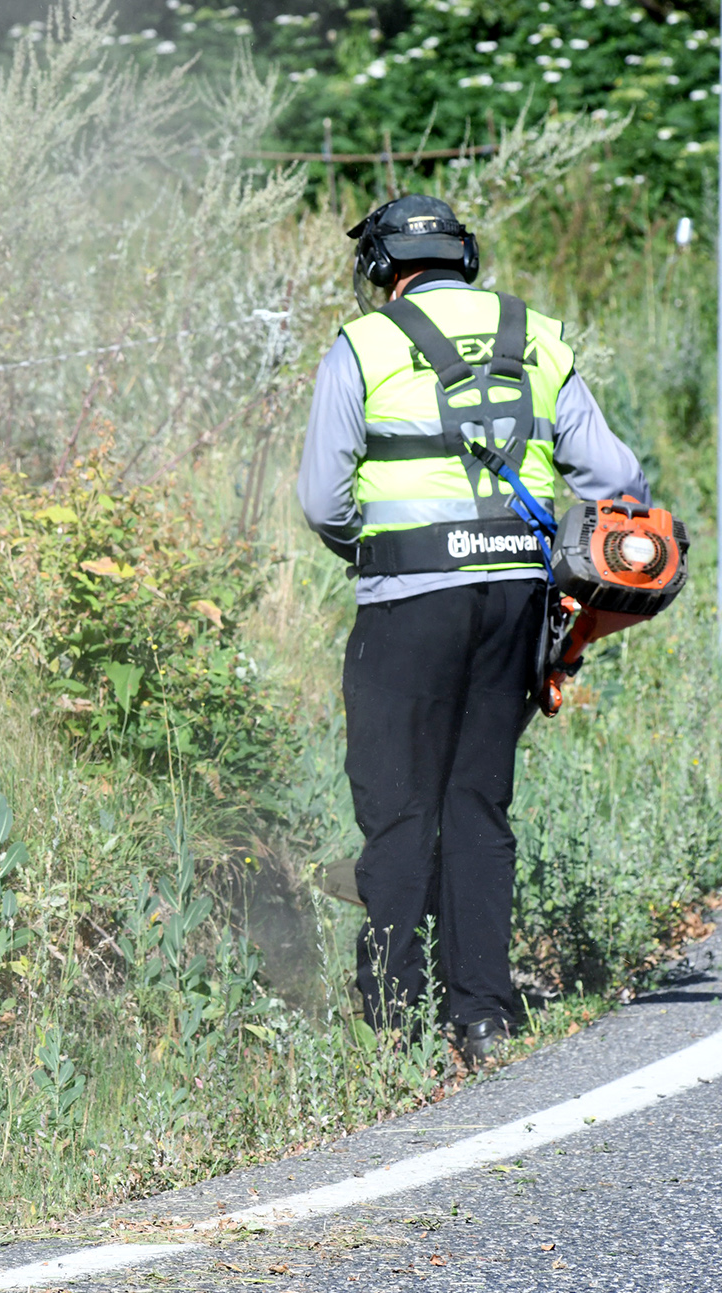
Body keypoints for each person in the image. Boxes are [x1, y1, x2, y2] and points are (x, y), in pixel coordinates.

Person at [297, 195, 648, 1067]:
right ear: (466, 257)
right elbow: (616, 476)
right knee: (477, 801)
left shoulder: (364, 344)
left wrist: (375, 547)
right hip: (515, 604)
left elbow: (321, 500)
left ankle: (395, 1026)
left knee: (398, 806)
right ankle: (484, 1018)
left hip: (407, 602)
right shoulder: (538, 336)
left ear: (381, 266)